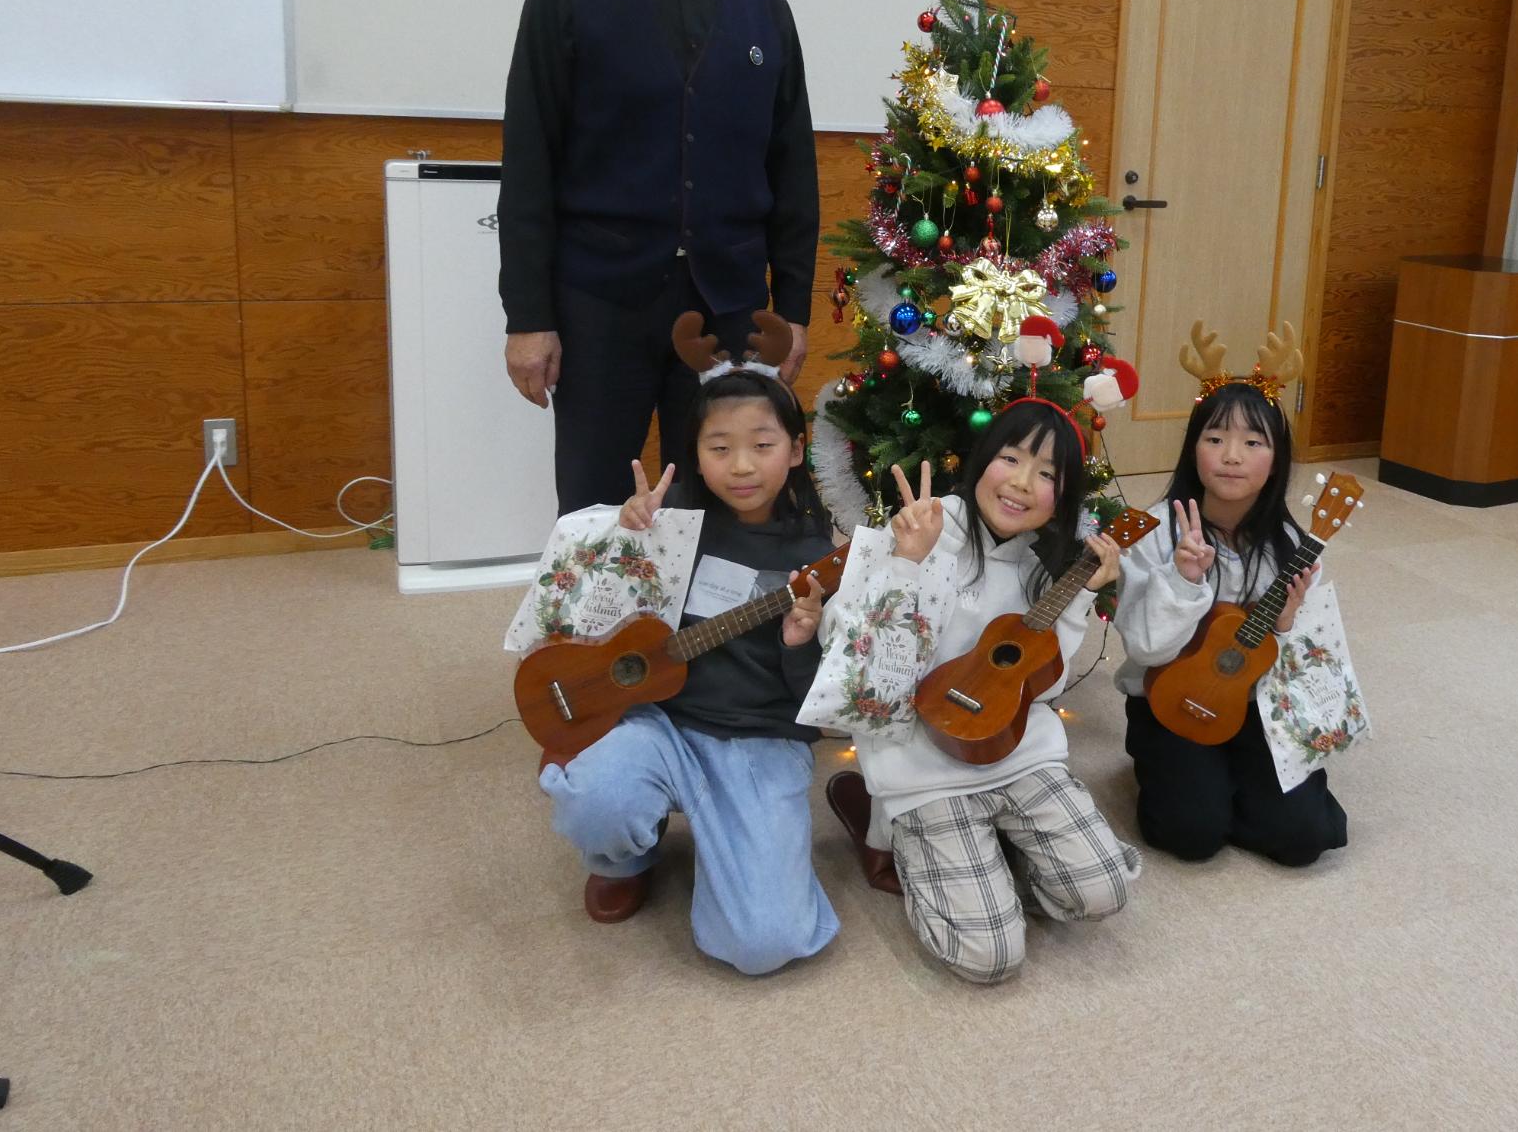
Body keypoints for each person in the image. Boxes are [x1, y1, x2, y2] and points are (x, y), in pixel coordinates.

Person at [498, 0, 819, 514]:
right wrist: (527, 318)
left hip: (731, 306)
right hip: (598, 299)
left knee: (725, 498)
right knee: (593, 496)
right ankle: (592, 638)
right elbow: (530, 166)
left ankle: (712, 637)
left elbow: (792, 166)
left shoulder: (762, 4)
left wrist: (794, 307)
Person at [534, 314, 839, 975]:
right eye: (719, 447)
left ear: (794, 449)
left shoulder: (821, 557)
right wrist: (621, 538)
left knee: (764, 943)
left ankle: (748, 850)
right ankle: (626, 857)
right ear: (693, 452)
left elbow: (824, 702)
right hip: (664, 722)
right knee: (593, 796)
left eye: (762, 444)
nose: (742, 466)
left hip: (761, 740)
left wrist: (799, 640)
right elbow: (587, 617)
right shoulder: (668, 528)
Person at [813, 407, 1141, 985]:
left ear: (1062, 496)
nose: (1019, 482)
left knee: (1105, 889)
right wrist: (906, 564)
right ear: (981, 461)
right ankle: (912, 842)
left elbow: (1047, 685)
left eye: (1046, 474)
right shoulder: (920, 527)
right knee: (989, 957)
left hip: (1018, 755)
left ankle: (996, 858)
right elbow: (843, 644)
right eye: (1010, 459)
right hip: (924, 771)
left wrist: (1082, 596)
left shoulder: (1046, 562)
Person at [1111, 344, 1349, 868]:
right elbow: (1148, 649)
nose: (1232, 455)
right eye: (1214, 438)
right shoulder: (1154, 533)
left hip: (1255, 705)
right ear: (1193, 449)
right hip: (1170, 700)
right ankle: (1194, 783)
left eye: (1252, 441)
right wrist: (1182, 579)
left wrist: (1285, 628)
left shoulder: (1292, 547)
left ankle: (1234, 784)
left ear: (1277, 456)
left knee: (1305, 839)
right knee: (1191, 836)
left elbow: (1314, 672)